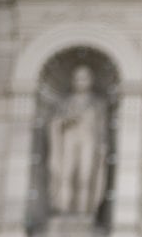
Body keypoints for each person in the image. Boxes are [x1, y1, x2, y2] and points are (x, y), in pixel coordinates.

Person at [46, 64, 109, 217]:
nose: (81, 82)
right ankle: (64, 209)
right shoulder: (66, 103)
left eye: (84, 78)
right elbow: (55, 123)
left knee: (85, 177)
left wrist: (103, 146)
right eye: (78, 78)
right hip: (69, 141)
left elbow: (102, 127)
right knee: (66, 175)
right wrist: (66, 120)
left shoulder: (98, 103)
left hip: (89, 141)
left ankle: (84, 212)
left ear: (91, 80)